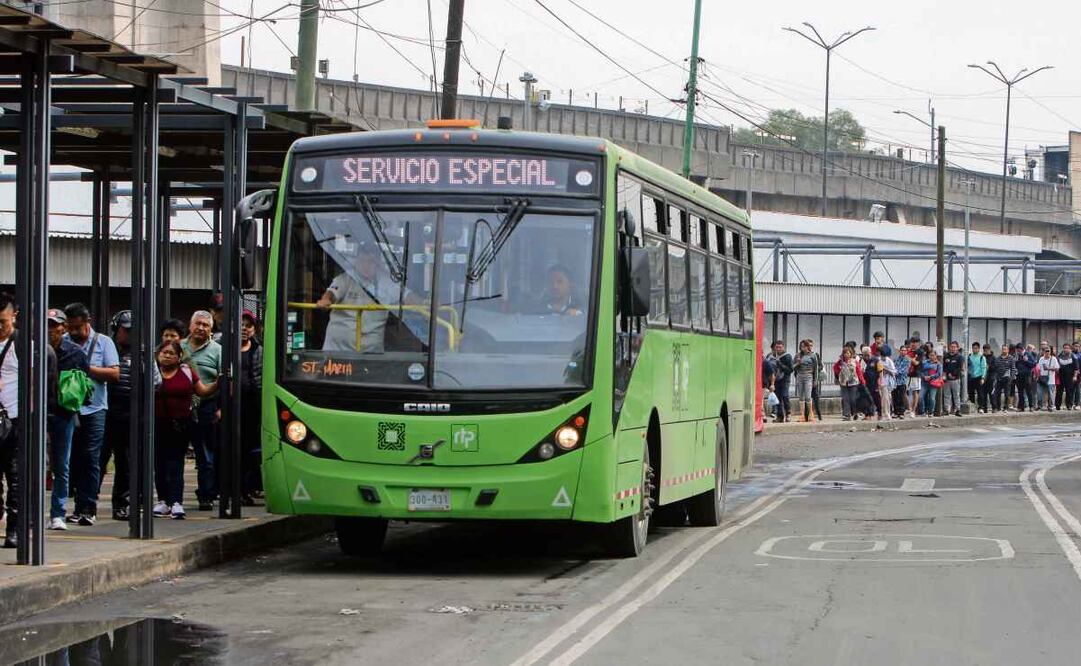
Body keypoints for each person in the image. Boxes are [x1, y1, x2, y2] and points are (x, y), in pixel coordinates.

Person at [100, 310, 161, 521]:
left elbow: (156, 382)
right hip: (107, 413)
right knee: (98, 461)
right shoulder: (106, 350)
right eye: (126, 330)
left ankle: (121, 504)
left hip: (132, 416)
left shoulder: (144, 354)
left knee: (125, 463)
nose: (130, 334)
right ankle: (86, 504)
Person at [64, 302, 120, 526]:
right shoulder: (65, 341)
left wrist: (86, 368)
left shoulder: (104, 342)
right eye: (71, 327)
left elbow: (115, 374)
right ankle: (78, 506)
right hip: (70, 407)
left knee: (91, 457)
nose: (74, 332)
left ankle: (89, 505)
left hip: (95, 408)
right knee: (74, 458)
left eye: (78, 327)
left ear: (88, 323)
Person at [154, 341, 218, 519]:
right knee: (159, 464)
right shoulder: (152, 371)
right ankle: (162, 501)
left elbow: (203, 391)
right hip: (157, 424)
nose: (167, 356)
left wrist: (217, 383)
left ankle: (176, 501)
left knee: (176, 463)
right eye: (164, 352)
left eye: (171, 353)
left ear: (179, 356)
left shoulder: (187, 371)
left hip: (181, 425)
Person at [317, 242, 413, 353]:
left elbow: (407, 295)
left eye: (371, 262)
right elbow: (332, 293)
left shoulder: (386, 283)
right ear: (356, 261)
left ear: (378, 264)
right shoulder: (346, 279)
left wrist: (424, 302)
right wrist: (325, 300)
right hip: (338, 351)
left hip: (371, 352)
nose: (366, 266)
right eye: (363, 261)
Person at [46, 308, 89, 531]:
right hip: (38, 414)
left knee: (62, 465)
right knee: (36, 464)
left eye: (55, 325)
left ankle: (58, 513)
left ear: (63, 328)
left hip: (64, 414)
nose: (51, 329)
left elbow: (85, 385)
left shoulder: (75, 353)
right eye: (48, 325)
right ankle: (32, 511)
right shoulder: (34, 348)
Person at [181, 310, 222, 511]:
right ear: (190, 326)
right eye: (198, 324)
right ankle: (170, 499)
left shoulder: (217, 351)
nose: (201, 328)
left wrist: (220, 408)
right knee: (173, 455)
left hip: (206, 407)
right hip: (178, 407)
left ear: (211, 330)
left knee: (205, 456)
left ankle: (206, 495)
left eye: (206, 325)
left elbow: (224, 382)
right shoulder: (178, 347)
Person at [239, 310, 264, 505]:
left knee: (249, 450)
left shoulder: (259, 350)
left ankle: (246, 489)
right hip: (230, 406)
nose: (244, 329)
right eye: (241, 324)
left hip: (252, 406)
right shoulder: (224, 347)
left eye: (248, 325)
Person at [0, 293, 18, 547]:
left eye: (2, 321)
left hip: (15, 420)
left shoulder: (23, 344)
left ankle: (15, 529)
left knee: (16, 476)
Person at [835, 346, 865, 422]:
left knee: (853, 399)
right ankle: (846, 415)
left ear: (851, 354)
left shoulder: (854, 361)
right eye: (845, 353)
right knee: (845, 399)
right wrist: (839, 373)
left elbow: (859, 371)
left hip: (854, 382)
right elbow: (835, 368)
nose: (846, 354)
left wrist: (862, 381)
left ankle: (855, 413)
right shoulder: (840, 362)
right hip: (844, 383)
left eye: (848, 353)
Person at [766, 340, 794, 423]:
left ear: (783, 347)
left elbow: (790, 370)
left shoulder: (787, 356)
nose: (778, 349)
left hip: (785, 379)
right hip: (776, 379)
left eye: (780, 347)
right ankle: (780, 416)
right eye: (777, 347)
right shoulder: (771, 356)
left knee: (784, 396)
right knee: (777, 398)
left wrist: (780, 364)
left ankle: (788, 413)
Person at [793, 339, 819, 423]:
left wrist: (815, 380)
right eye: (801, 346)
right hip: (800, 375)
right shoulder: (798, 355)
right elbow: (792, 367)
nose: (802, 348)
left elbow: (816, 368)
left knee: (808, 396)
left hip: (809, 376)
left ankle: (811, 414)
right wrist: (798, 363)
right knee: (801, 396)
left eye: (804, 346)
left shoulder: (813, 355)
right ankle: (802, 415)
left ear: (808, 347)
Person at [990, 344, 1016, 413]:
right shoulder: (998, 359)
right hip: (999, 378)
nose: (1004, 350)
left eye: (1005, 349)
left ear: (1008, 350)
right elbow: (996, 369)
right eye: (1003, 349)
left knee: (1007, 394)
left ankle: (1006, 407)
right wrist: (995, 378)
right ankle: (997, 407)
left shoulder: (1011, 358)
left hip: (1007, 378)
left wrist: (1011, 378)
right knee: (996, 393)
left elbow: (1013, 369)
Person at [942, 341, 964, 417]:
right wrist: (947, 374)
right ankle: (947, 410)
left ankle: (958, 410)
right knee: (947, 395)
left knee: (956, 395)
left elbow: (960, 367)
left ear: (957, 348)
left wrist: (953, 374)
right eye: (951, 347)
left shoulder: (960, 357)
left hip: (956, 379)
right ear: (949, 347)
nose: (953, 348)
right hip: (947, 379)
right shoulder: (946, 356)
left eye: (955, 347)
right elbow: (944, 367)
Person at [875, 345, 896, 422]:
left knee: (886, 398)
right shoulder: (878, 360)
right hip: (881, 380)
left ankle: (887, 414)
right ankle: (884, 414)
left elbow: (894, 371)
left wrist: (885, 369)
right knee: (883, 398)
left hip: (887, 381)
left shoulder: (889, 360)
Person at [921, 349, 944, 418]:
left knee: (932, 398)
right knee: (921, 397)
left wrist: (930, 377)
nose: (932, 357)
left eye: (933, 355)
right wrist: (924, 376)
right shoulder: (924, 362)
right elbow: (920, 370)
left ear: (936, 356)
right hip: (924, 382)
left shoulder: (938, 364)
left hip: (933, 383)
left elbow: (939, 374)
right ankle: (923, 411)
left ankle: (931, 412)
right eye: (930, 355)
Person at [1036, 346, 1059, 412]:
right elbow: (1038, 368)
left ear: (1050, 351)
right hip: (1041, 378)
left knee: (1051, 394)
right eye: (1045, 351)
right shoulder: (1041, 359)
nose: (1047, 352)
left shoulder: (1053, 359)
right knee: (1039, 393)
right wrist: (1037, 375)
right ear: (1043, 351)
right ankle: (1040, 405)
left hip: (1050, 379)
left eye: (1048, 351)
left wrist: (1049, 368)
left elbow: (1057, 369)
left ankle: (1052, 406)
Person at [1017, 344, 1038, 411]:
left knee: (1029, 391)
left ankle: (1031, 406)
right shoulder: (1018, 355)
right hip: (1019, 376)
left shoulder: (1028, 354)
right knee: (1020, 392)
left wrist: (1026, 361)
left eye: (1019, 350)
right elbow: (1016, 364)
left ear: (1021, 349)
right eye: (1017, 350)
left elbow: (1034, 364)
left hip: (1027, 376)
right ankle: (1021, 407)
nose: (1018, 351)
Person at [967, 342, 987, 413]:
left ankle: (981, 407)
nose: (974, 350)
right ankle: (973, 407)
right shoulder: (969, 356)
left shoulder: (982, 357)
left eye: (976, 348)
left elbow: (984, 368)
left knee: (980, 393)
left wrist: (983, 378)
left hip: (979, 377)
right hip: (971, 377)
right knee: (971, 393)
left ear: (978, 349)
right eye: (973, 348)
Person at [892, 346, 911, 419]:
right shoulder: (896, 359)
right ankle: (896, 412)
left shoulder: (907, 360)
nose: (903, 352)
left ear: (906, 351)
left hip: (902, 381)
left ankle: (902, 412)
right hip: (895, 381)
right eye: (902, 350)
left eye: (904, 350)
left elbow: (904, 370)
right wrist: (894, 372)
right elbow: (893, 367)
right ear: (899, 351)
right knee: (895, 396)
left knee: (902, 396)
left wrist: (895, 372)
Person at [1055, 345, 1075, 411]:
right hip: (1060, 377)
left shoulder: (1073, 356)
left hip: (1069, 377)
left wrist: (1074, 376)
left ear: (1070, 349)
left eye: (1067, 348)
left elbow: (1076, 368)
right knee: (1059, 392)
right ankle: (1057, 406)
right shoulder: (1059, 356)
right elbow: (1056, 366)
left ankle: (1069, 405)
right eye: (1064, 348)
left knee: (1069, 392)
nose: (1066, 349)